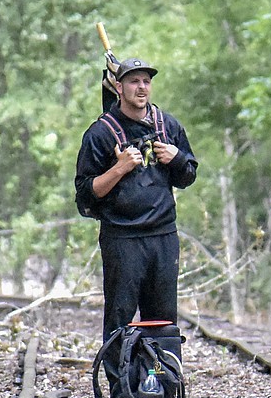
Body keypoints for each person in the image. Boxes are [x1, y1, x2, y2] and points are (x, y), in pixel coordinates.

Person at [74, 57, 199, 341]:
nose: (141, 88)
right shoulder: (100, 134)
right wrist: (119, 169)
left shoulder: (167, 125)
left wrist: (176, 158)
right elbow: (85, 197)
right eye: (134, 81)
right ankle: (122, 386)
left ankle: (162, 381)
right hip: (122, 239)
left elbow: (188, 176)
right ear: (118, 87)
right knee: (120, 319)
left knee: (164, 320)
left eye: (146, 81)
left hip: (163, 236)